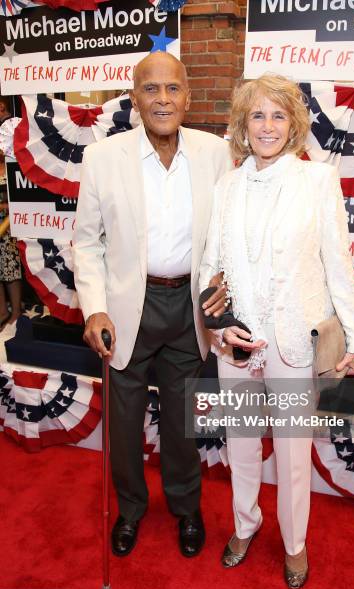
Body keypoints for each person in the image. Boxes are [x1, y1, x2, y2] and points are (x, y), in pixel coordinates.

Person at [199, 74, 354, 589]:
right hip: (237, 346)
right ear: (242, 125)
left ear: (293, 124)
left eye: (278, 115)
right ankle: (244, 524)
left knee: (294, 453)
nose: (267, 126)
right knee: (242, 444)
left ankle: (294, 543)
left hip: (294, 345)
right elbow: (212, 264)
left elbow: (337, 262)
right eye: (257, 115)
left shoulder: (318, 181)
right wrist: (216, 328)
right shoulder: (226, 186)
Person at [72, 52, 230, 559]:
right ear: (134, 96)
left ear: (188, 95)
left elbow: (227, 233)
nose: (163, 99)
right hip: (125, 312)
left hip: (188, 308)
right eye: (151, 89)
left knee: (184, 423)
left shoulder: (216, 153)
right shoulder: (103, 158)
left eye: (173, 89)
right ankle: (131, 510)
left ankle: (186, 509)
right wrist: (95, 307)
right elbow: (87, 242)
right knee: (124, 422)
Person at [0, 148, 22, 331]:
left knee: (10, 270)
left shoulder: (11, 166)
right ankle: (2, 312)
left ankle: (15, 311)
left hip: (8, 226)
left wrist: (5, 205)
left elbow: (18, 197)